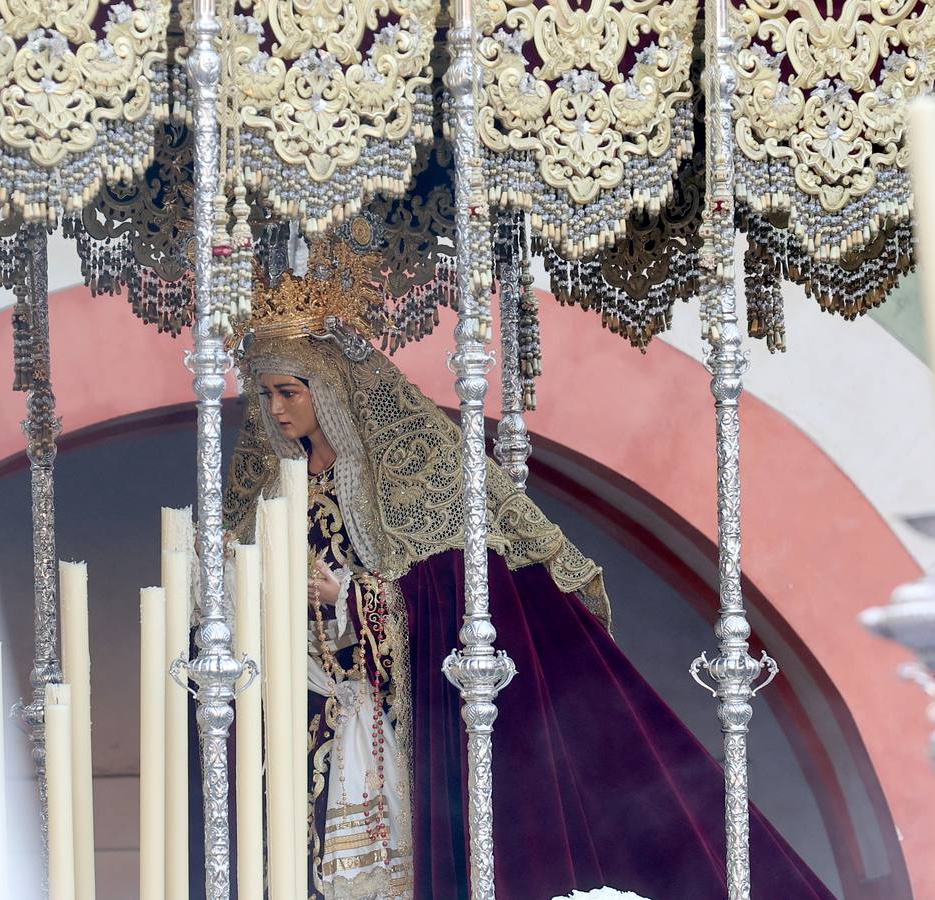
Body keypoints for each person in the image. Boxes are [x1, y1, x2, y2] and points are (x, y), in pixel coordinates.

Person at [219, 256, 834, 899]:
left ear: (329, 388)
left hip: (407, 723)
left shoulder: (413, 469)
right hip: (311, 719)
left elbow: (459, 586)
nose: (276, 409)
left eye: (289, 391)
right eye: (265, 395)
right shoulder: (273, 493)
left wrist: (349, 596)